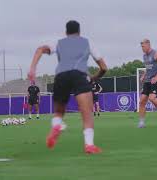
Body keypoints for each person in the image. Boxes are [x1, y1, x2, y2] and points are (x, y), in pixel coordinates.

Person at [28, 20, 107, 154]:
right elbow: (104, 67)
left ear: (66, 32)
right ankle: (89, 145)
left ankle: (57, 125)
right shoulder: (87, 42)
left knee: (59, 112)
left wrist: (32, 69)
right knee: (87, 113)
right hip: (79, 75)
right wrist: (95, 77)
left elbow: (40, 49)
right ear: (79, 32)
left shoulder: (59, 42)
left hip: (61, 76)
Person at [138, 39, 157, 128]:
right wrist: (143, 75)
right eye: (141, 47)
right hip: (148, 80)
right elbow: (148, 68)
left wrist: (156, 77)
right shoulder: (144, 56)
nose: (142, 48)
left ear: (148, 44)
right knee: (142, 101)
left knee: (152, 98)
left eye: (143, 46)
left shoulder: (156, 54)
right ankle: (142, 122)